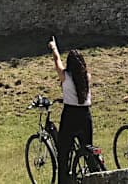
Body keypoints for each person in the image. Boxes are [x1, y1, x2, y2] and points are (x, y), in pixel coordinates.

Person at [48, 37, 92, 184]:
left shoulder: (65, 77)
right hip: (86, 115)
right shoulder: (87, 77)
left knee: (64, 152)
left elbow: (56, 60)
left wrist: (54, 47)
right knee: (88, 150)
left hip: (70, 115)